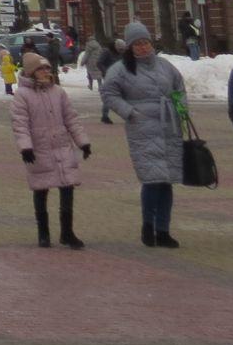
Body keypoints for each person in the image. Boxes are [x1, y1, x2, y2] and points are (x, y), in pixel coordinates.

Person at [100, 22, 188, 248]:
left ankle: (164, 229)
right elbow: (109, 93)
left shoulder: (165, 66)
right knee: (152, 179)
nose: (143, 47)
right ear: (130, 47)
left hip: (169, 126)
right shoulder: (120, 70)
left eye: (146, 42)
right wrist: (130, 112)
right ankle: (148, 226)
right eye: (137, 44)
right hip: (143, 128)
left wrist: (181, 110)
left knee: (167, 180)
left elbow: (179, 89)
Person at [11, 50, 89, 248]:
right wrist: (25, 147)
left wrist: (83, 142)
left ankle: (67, 232)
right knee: (41, 189)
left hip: (62, 147)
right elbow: (20, 124)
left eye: (47, 67)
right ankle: (43, 232)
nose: (46, 71)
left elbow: (71, 118)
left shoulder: (58, 92)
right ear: (30, 72)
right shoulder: (22, 95)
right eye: (41, 68)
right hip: (40, 149)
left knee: (67, 187)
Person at [97, 38, 124, 123]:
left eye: (122, 50)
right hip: (109, 78)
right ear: (115, 47)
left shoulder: (121, 54)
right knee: (109, 96)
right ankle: (105, 116)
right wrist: (106, 72)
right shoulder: (107, 52)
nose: (121, 51)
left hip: (120, 77)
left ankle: (128, 114)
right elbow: (99, 63)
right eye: (120, 49)